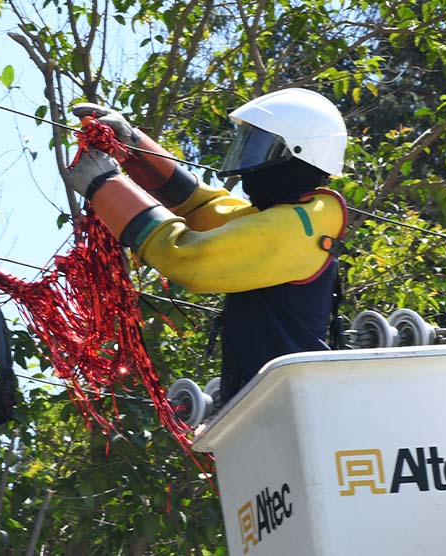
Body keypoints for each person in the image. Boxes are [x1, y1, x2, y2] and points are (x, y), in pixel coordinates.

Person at [61, 88, 350, 405]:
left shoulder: (295, 228)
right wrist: (133, 146)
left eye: (259, 148)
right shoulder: (288, 218)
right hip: (270, 403)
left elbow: (186, 256)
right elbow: (201, 206)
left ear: (294, 154)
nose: (246, 166)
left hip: (288, 406)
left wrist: (105, 186)